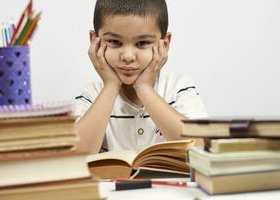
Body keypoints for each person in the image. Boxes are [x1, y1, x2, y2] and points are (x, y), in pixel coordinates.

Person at [75, 0, 208, 154]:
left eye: (142, 42)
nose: (128, 56)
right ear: (94, 41)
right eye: (114, 42)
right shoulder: (91, 94)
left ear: (164, 44)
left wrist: (143, 88)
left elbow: (199, 146)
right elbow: (77, 156)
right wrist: (110, 86)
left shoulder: (178, 88)